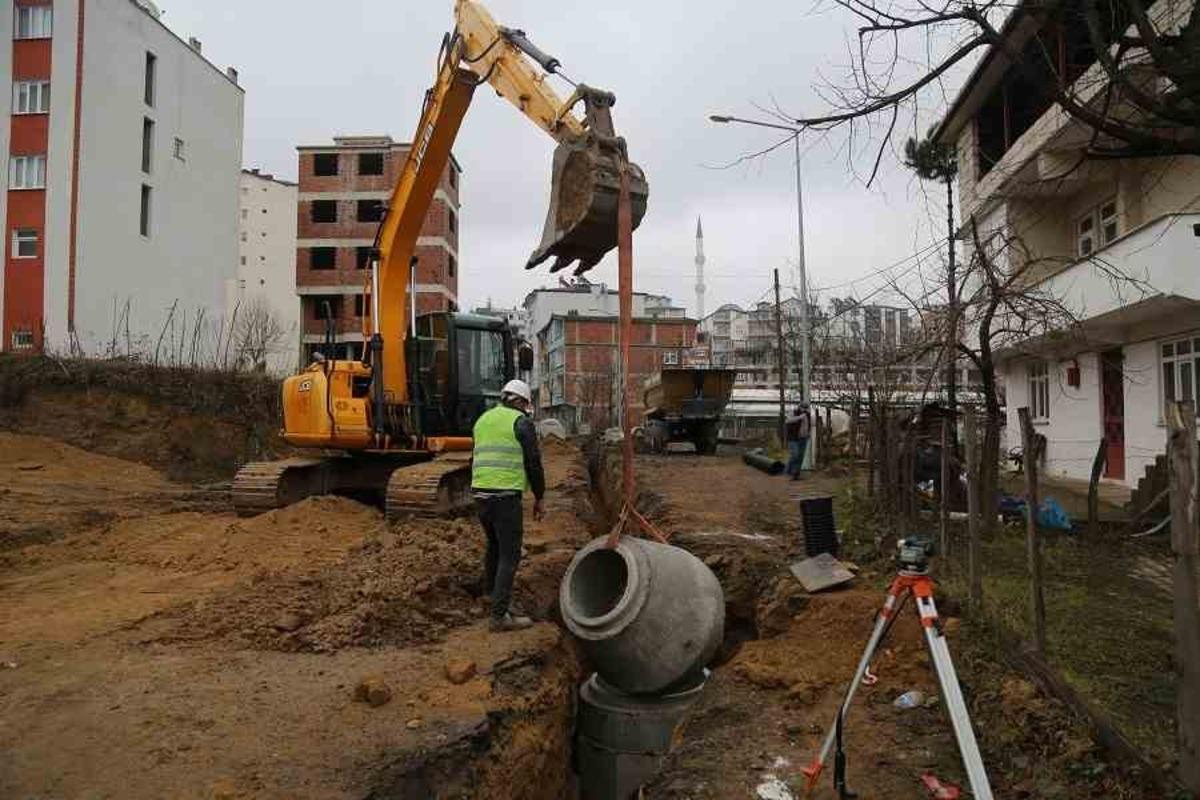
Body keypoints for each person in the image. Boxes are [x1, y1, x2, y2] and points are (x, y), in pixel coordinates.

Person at [471, 378, 546, 632]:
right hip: (505, 497)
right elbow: (533, 462)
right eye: (526, 404)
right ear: (522, 402)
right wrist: (540, 496)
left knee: (494, 546)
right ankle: (499, 616)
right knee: (509, 554)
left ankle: (492, 596)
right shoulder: (521, 422)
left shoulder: (483, 419)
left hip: (481, 496)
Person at [785, 403, 811, 481]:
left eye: (806, 408)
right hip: (793, 438)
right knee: (795, 454)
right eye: (803, 408)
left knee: (800, 456)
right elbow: (788, 421)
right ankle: (789, 469)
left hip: (803, 438)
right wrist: (800, 417)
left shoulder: (808, 415)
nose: (805, 410)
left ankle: (796, 474)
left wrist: (808, 433)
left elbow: (809, 424)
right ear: (800, 407)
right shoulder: (794, 412)